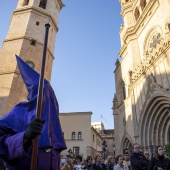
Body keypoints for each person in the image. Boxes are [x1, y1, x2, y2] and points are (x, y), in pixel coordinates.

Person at [0, 56, 67, 170]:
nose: (48, 98)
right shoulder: (20, 110)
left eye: (51, 94)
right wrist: (24, 137)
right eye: (44, 93)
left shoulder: (53, 125)